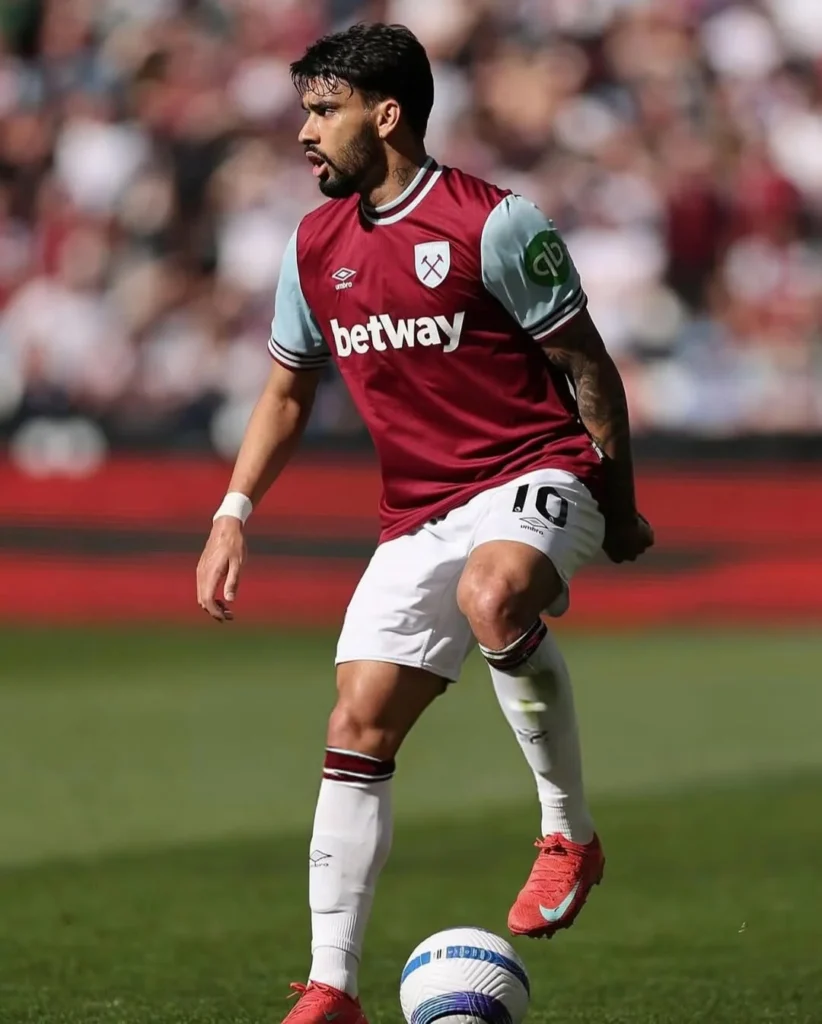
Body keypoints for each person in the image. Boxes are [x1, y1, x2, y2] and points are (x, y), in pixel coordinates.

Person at [196, 22, 654, 1024]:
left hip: (536, 469)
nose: (306, 134)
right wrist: (234, 513)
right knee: (355, 724)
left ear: (387, 114)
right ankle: (332, 986)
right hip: (416, 513)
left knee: (490, 594)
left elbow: (587, 369)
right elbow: (283, 393)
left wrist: (617, 509)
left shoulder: (494, 223)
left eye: (325, 111)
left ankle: (567, 834)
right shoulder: (313, 245)